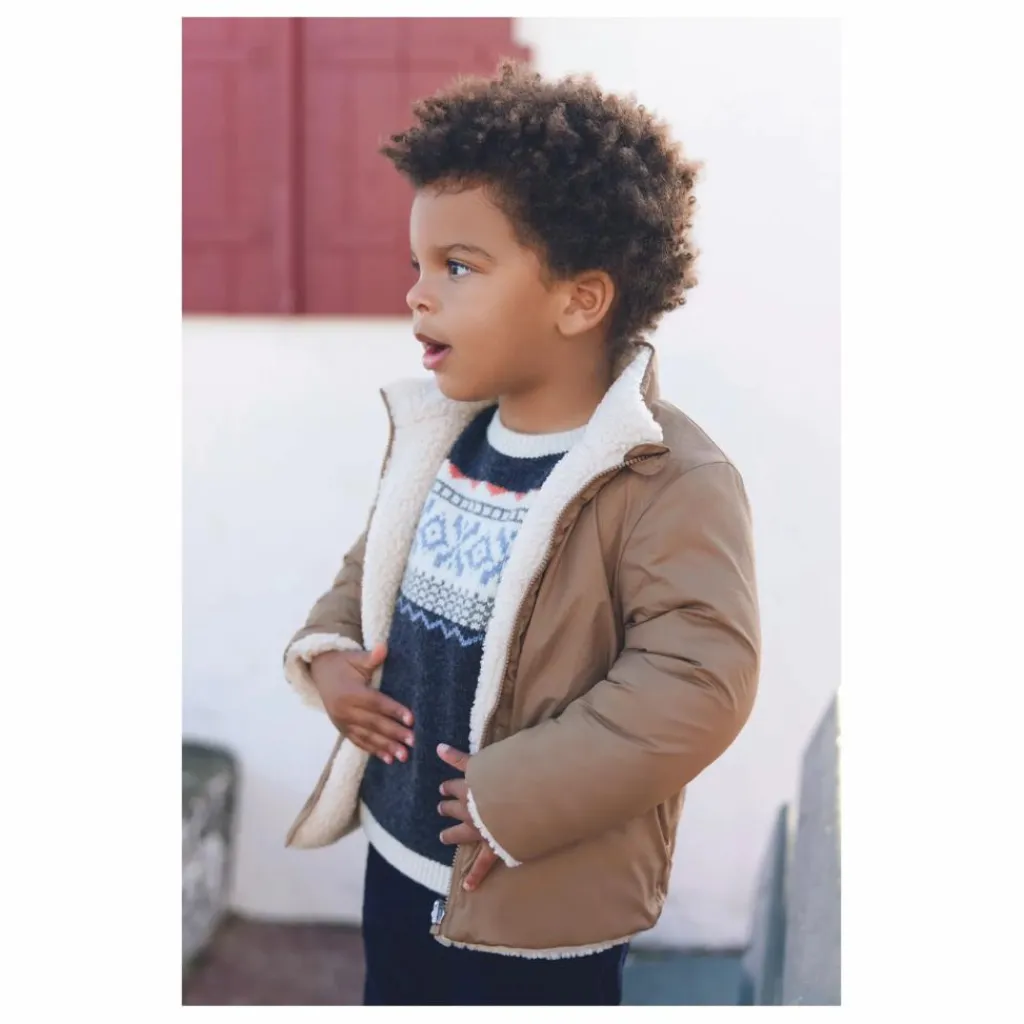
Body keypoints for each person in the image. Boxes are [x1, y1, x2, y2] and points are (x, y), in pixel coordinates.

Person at [281, 60, 760, 1006]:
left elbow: (698, 681)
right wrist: (330, 656)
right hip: (399, 864)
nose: (419, 295)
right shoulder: (441, 438)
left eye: (458, 267)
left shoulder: (668, 478)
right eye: (417, 266)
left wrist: (518, 797)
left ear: (580, 300)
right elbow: (371, 567)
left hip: (534, 899)